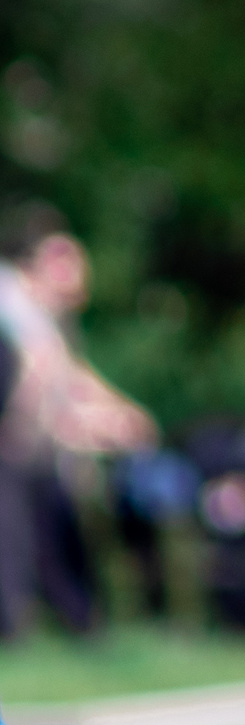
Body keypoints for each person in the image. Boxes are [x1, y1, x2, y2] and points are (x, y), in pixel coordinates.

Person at [0, 206, 157, 636]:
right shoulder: (13, 306)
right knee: (18, 537)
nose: (80, 273)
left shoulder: (36, 314)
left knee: (42, 529)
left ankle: (71, 625)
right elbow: (39, 388)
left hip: (23, 449)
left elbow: (68, 376)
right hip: (13, 448)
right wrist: (96, 422)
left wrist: (117, 413)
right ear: (37, 266)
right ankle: (44, 627)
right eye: (67, 262)